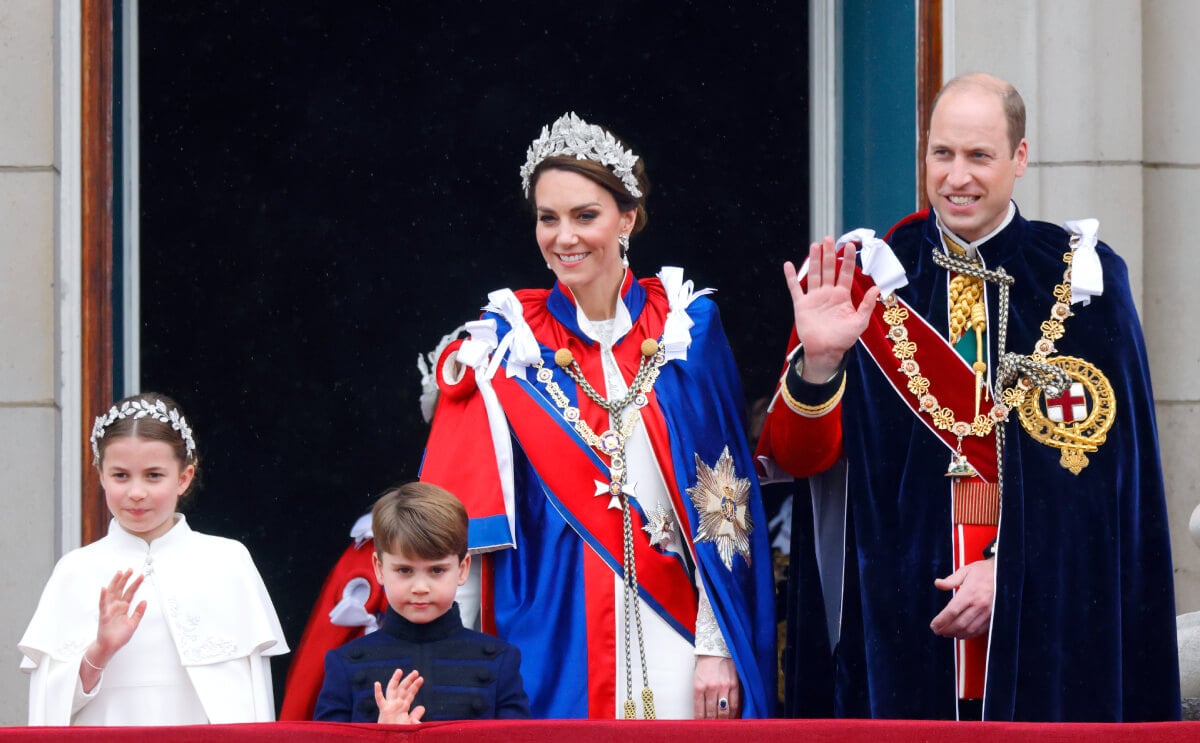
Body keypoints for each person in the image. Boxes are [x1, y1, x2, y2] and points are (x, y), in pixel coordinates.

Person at [757, 73, 1180, 721]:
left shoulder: (1084, 279)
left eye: (980, 156)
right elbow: (798, 459)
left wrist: (1009, 568)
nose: (957, 177)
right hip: (903, 623)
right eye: (942, 154)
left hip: (1045, 619)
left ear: (1019, 157)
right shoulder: (864, 276)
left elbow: (1106, 486)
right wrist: (819, 362)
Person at [418, 112, 776, 719]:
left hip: (676, 626)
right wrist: (455, 661)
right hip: (548, 624)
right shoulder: (507, 345)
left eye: (586, 216)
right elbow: (462, 522)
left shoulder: (687, 328)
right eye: (547, 218)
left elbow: (727, 501)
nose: (565, 238)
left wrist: (717, 648)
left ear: (627, 218)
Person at [18, 393, 288, 725]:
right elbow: (49, 711)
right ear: (100, 475)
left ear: (184, 478)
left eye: (153, 475)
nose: (136, 492)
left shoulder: (228, 561)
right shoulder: (75, 570)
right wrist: (100, 650)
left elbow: (251, 698)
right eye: (120, 475)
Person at [313, 482, 530, 722]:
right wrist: (382, 736)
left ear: (462, 568)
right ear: (379, 568)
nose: (420, 588)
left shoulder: (500, 660)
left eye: (437, 570)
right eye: (405, 570)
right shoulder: (344, 664)